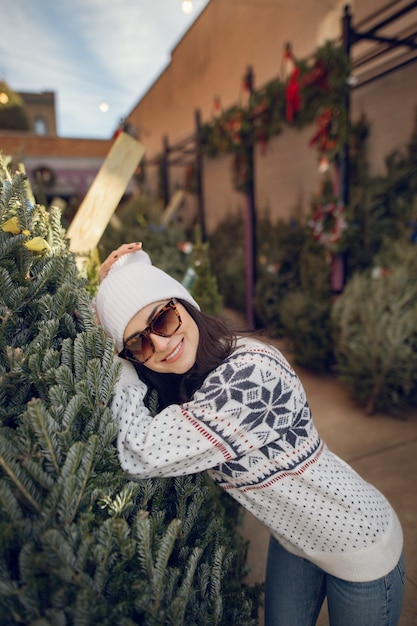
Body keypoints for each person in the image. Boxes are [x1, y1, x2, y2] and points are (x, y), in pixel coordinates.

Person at [95, 243, 405, 626]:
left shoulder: (249, 375)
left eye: (162, 319)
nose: (160, 344)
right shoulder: (197, 376)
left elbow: (139, 451)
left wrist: (116, 361)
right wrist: (103, 307)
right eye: (139, 342)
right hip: (294, 539)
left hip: (358, 543)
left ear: (185, 304)